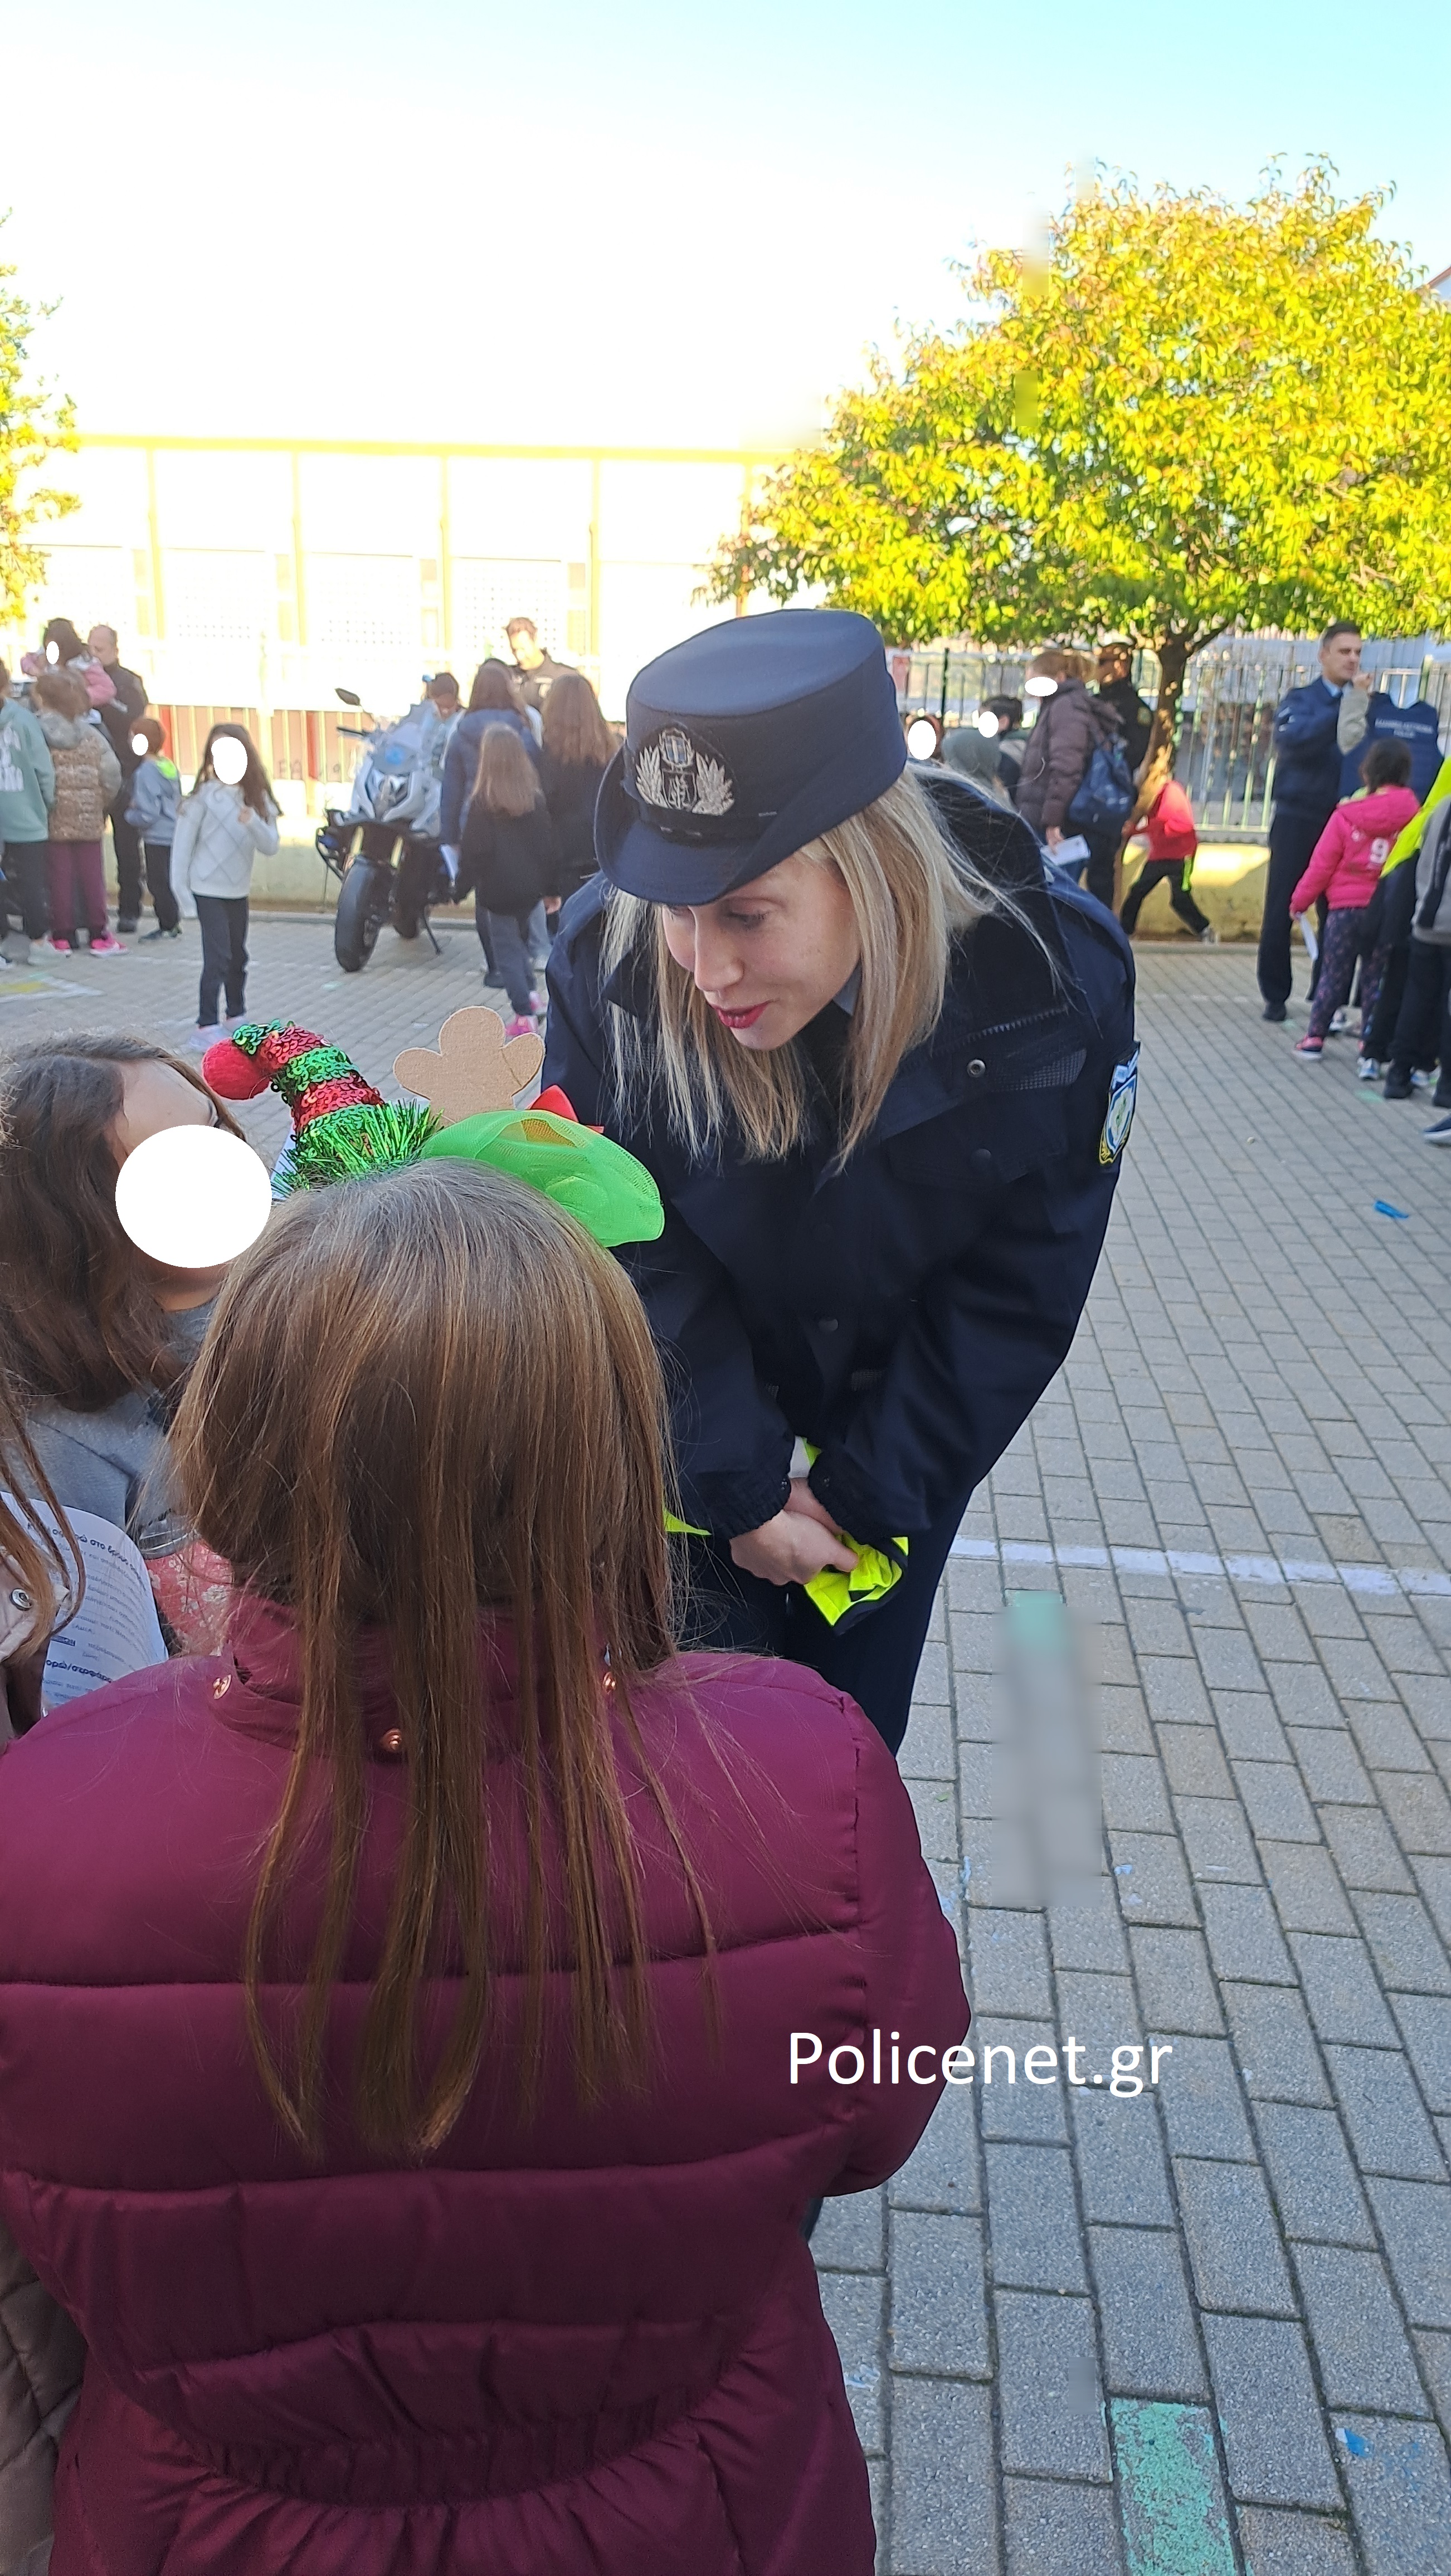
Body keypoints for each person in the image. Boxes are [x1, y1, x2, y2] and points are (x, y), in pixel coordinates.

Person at [0, 1157, 967, 2576]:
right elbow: (877, 2118)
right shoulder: (804, 1773)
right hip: (696, 2507)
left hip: (211, 2528)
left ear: (232, 1437)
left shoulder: (50, 1808)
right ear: (614, 1447)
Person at [544, 608, 1137, 1755]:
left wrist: (856, 1495)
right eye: (676, 908)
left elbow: (1024, 1279)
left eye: (746, 915)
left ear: (869, 868)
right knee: (674, 1764)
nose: (703, 967)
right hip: (680, 1430)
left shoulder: (1050, 985)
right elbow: (622, 1233)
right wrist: (742, 1484)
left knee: (838, 1759)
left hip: (893, 1457)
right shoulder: (602, 962)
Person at [0, 1035, 243, 1651]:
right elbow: (78, 1665)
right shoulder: (57, 1440)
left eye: (214, 1126)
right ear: (78, 1220)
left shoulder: (284, 1277)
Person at [1257, 621, 1365, 1021]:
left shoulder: (1363, 703)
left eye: (1357, 652)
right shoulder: (1303, 700)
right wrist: (1343, 707)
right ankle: (1275, 993)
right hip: (1298, 817)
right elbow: (1293, 741)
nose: (1353, 659)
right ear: (1324, 656)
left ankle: (1327, 996)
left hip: (1342, 820)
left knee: (1338, 913)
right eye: (1344, 652)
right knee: (1283, 906)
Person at [1289, 741, 1420, 1060]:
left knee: (1334, 972)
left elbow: (1322, 864)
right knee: (1376, 977)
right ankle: (1369, 1042)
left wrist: (1300, 901)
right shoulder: (1414, 816)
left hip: (1345, 909)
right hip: (1387, 911)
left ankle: (1315, 1038)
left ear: (1368, 773)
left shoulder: (1347, 815)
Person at [169, 723, 280, 1042]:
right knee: (217, 957)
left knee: (238, 955)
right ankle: (205, 1023)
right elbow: (181, 850)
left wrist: (253, 822)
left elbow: (270, 845)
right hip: (207, 890)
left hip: (238, 891)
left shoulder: (257, 799)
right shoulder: (201, 799)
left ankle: (236, 1014)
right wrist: (184, 898)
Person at [458, 722, 560, 1035]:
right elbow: (548, 848)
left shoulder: (483, 803)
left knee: (506, 952)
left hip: (497, 892)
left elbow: (474, 852)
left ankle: (523, 1014)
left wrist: (460, 886)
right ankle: (533, 996)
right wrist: (550, 890)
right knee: (522, 946)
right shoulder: (534, 800)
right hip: (529, 890)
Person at [1014, 648, 1125, 906]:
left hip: (1056, 826)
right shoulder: (1060, 706)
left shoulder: (1066, 707)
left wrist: (1053, 823)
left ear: (1060, 678)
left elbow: (1066, 767)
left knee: (1053, 900)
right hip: (1050, 819)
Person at [30, 667, 124, 954]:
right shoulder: (91, 735)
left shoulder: (37, 733)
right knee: (92, 876)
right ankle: (99, 933)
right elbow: (112, 775)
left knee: (59, 877)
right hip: (89, 816)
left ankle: (63, 935)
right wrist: (100, 802)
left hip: (54, 817)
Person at [1379, 793, 1451, 1116]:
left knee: (1417, 997)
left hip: (1426, 919)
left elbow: (1422, 857)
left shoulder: (1440, 807)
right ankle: (1447, 1086)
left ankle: (1398, 1074)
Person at [438, 659, 541, 861]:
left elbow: (451, 793)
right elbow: (537, 780)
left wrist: (449, 838)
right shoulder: (522, 730)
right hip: (516, 823)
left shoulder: (461, 733)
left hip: (471, 825)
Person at [87, 624, 150, 931]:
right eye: (91, 649)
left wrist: (103, 697)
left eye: (99, 649)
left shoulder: (129, 682)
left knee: (127, 847)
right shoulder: (82, 679)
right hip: (92, 774)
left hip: (126, 772)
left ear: (114, 648)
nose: (94, 655)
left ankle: (130, 910)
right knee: (85, 847)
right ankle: (90, 912)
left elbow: (132, 717)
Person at [539, 667, 615, 910]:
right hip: (605, 861)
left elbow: (544, 823)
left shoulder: (548, 760)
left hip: (564, 865)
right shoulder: (611, 755)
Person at [0, 658, 55, 960]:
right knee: (33, 881)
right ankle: (37, 943)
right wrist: (48, 801)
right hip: (26, 811)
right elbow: (42, 768)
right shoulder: (23, 720)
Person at [1119, 775, 1215, 941]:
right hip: (1159, 854)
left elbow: (1163, 818)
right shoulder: (1148, 794)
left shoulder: (1171, 791)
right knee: (1137, 891)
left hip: (1182, 854)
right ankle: (1125, 932)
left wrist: (1135, 831)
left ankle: (1205, 930)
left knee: (1180, 897)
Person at [123, 715, 183, 939]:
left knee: (158, 882)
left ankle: (168, 924)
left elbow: (148, 814)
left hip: (156, 836)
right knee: (167, 879)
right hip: (173, 831)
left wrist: (130, 814)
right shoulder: (167, 766)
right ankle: (173, 922)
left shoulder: (145, 772)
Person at [1094, 641, 1153, 782]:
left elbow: (1135, 754)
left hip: (1113, 788)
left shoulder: (1136, 709)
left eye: (1102, 662)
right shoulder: (1093, 702)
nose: (1097, 667)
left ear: (1121, 666)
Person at [506, 612, 576, 710]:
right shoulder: (507, 678)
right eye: (514, 650)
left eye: (523, 648)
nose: (519, 656)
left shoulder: (565, 677)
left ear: (536, 640)